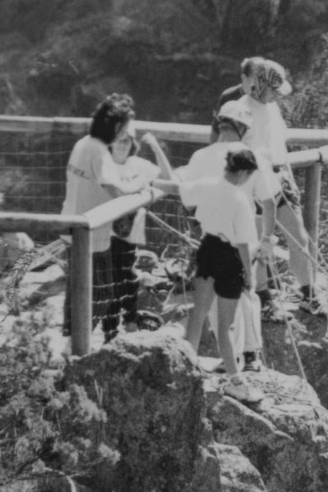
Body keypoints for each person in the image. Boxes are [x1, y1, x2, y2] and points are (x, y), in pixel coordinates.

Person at [175, 98, 280, 371]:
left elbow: (188, 199)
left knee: (211, 306)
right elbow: (268, 202)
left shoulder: (200, 156)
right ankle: (251, 355)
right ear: (243, 128)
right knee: (248, 295)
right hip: (243, 238)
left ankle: (223, 359)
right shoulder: (249, 155)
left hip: (211, 238)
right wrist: (268, 239)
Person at [155, 147, 264, 406]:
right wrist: (251, 278)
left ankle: (188, 367)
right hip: (230, 259)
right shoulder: (240, 200)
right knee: (225, 327)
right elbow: (243, 245)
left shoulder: (206, 184)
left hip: (207, 250)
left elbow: (176, 190)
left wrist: (150, 182)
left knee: (199, 313)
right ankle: (236, 381)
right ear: (244, 172)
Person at [217, 56, 321, 317]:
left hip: (279, 179)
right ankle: (264, 300)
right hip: (253, 181)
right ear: (260, 84)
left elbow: (278, 143)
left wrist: (286, 174)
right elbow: (230, 148)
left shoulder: (272, 108)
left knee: (299, 237)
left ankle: (309, 293)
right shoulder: (241, 109)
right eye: (273, 89)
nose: (277, 95)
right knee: (259, 242)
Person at [60, 92, 169, 338]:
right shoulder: (99, 151)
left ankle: (70, 338)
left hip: (72, 226)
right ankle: (78, 345)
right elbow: (116, 190)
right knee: (100, 293)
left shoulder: (84, 143)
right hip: (90, 234)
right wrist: (140, 185)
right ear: (115, 125)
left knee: (77, 289)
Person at [104, 121, 173, 341]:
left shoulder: (136, 164)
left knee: (127, 276)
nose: (123, 144)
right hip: (106, 232)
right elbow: (114, 191)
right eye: (119, 138)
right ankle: (113, 329)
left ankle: (128, 322)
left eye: (128, 139)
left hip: (129, 232)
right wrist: (140, 188)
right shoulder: (103, 164)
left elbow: (168, 177)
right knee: (114, 279)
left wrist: (155, 146)